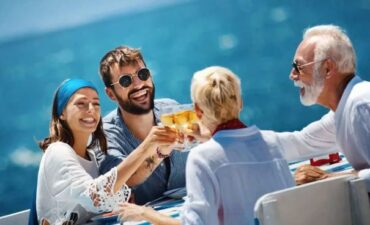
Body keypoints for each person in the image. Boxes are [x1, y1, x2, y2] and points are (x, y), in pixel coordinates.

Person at [117, 66, 295, 225]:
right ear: (240, 103)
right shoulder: (273, 142)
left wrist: (146, 214)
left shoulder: (203, 157)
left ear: (198, 111)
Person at [36, 79, 178, 225]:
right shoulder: (58, 151)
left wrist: (160, 151)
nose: (91, 109)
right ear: (62, 113)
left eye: (96, 103)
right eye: (81, 104)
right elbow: (96, 196)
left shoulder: (91, 156)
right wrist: (147, 145)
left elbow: (108, 193)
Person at [263, 24, 370, 187]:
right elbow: (299, 144)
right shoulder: (343, 111)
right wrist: (226, 137)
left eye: (298, 67)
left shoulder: (361, 105)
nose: (292, 76)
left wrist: (328, 179)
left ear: (327, 68)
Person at [97, 46, 188, 204]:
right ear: (111, 94)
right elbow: (121, 181)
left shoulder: (171, 108)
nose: (139, 85)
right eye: (126, 81)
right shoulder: (105, 136)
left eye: (142, 74)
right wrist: (156, 149)